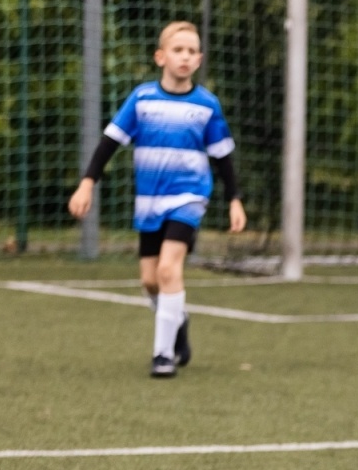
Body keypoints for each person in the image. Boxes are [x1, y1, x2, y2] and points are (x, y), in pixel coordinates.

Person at [68, 21, 246, 378]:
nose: (185, 57)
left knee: (168, 269)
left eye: (192, 51)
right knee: (150, 280)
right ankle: (177, 319)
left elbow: (223, 157)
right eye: (178, 50)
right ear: (160, 56)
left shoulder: (207, 106)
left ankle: (163, 356)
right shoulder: (142, 99)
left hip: (190, 197)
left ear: (199, 60)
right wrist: (87, 183)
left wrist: (234, 199)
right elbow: (109, 144)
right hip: (149, 201)